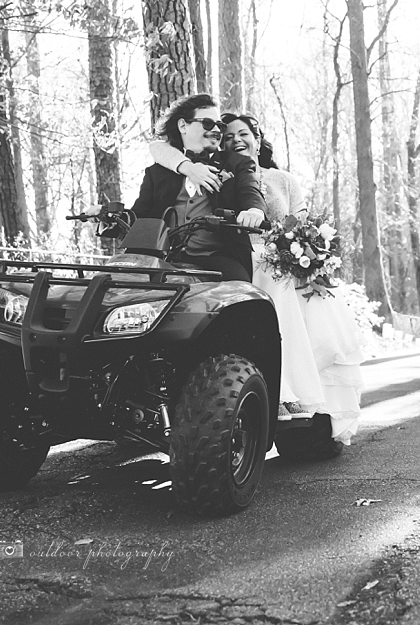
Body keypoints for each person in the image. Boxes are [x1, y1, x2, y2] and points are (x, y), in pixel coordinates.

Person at [150, 113, 365, 443]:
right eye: (228, 134)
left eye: (244, 133)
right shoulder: (223, 175)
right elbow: (160, 151)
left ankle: (300, 398)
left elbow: (301, 222)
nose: (236, 138)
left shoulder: (281, 179)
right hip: (238, 256)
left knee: (287, 297)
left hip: (280, 261)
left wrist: (305, 250)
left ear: (258, 138)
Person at [131, 94, 267, 282]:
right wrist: (110, 219)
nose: (216, 131)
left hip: (217, 257)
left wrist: (254, 210)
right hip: (162, 258)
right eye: (208, 123)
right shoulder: (158, 172)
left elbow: (250, 190)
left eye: (219, 126)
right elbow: (139, 215)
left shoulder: (237, 164)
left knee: (242, 294)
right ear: (183, 126)